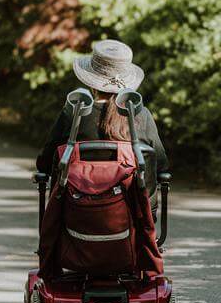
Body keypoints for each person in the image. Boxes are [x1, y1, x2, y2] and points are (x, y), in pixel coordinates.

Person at [36, 39, 168, 193]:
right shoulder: (140, 115)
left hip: (75, 207)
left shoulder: (73, 113)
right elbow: (161, 165)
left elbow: (44, 163)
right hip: (132, 208)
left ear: (91, 83)